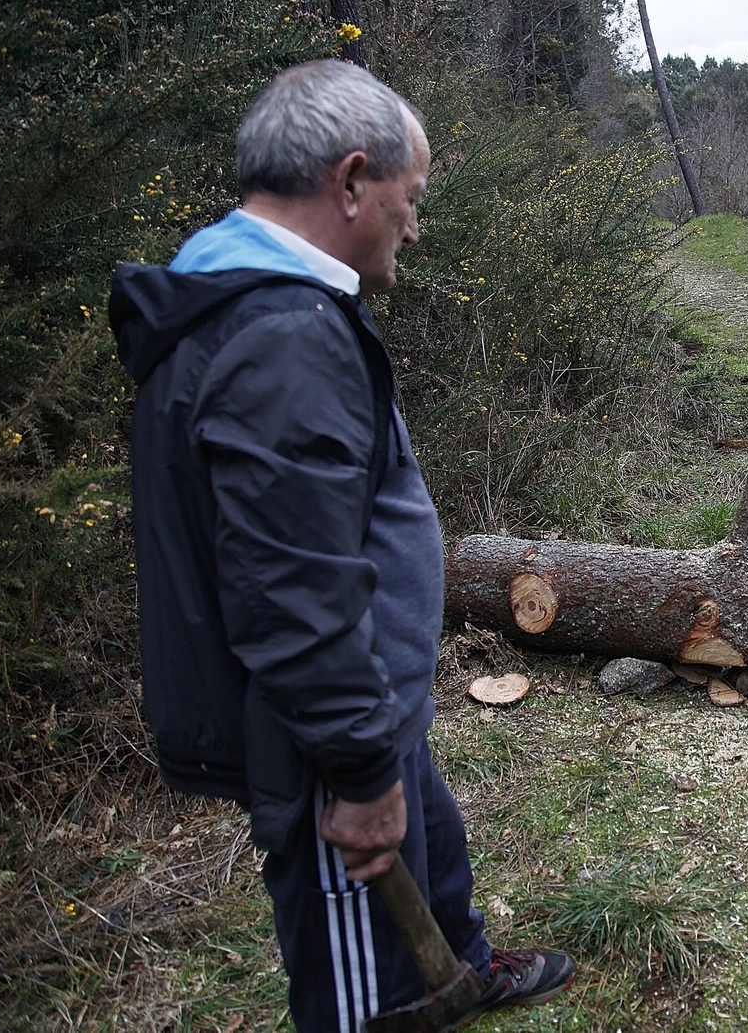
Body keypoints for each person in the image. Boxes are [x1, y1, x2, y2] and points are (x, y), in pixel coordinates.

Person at [107, 61, 575, 1032]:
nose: (415, 222)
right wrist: (358, 774)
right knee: (356, 978)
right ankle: (406, 1000)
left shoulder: (258, 301)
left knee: (432, 831)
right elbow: (291, 591)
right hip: (316, 735)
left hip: (355, 707)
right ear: (354, 180)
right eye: (412, 196)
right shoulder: (278, 336)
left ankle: (462, 965)